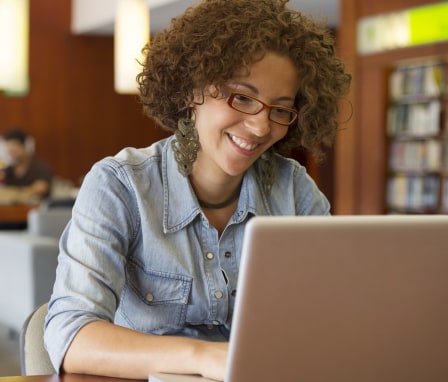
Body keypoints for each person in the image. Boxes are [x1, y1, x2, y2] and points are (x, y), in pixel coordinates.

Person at [44, 0, 351, 380]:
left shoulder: (293, 188)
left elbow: (332, 317)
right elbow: (71, 336)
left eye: (280, 109)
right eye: (242, 97)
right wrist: (207, 358)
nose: (259, 126)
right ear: (192, 90)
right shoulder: (120, 185)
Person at [1, 128, 53, 200]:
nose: (12, 151)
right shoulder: (8, 170)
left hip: (37, 208)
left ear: (24, 146)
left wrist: (15, 192)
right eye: (9, 147)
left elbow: (42, 188)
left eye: (15, 146)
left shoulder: (40, 167)